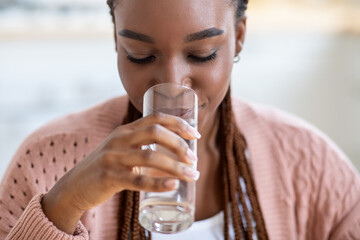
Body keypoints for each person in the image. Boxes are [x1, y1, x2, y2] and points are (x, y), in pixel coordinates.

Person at [1, 0, 359, 239]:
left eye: (202, 54)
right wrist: (64, 206)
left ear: (238, 38)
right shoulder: (46, 161)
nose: (173, 85)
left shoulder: (310, 165)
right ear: (116, 41)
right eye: (140, 56)